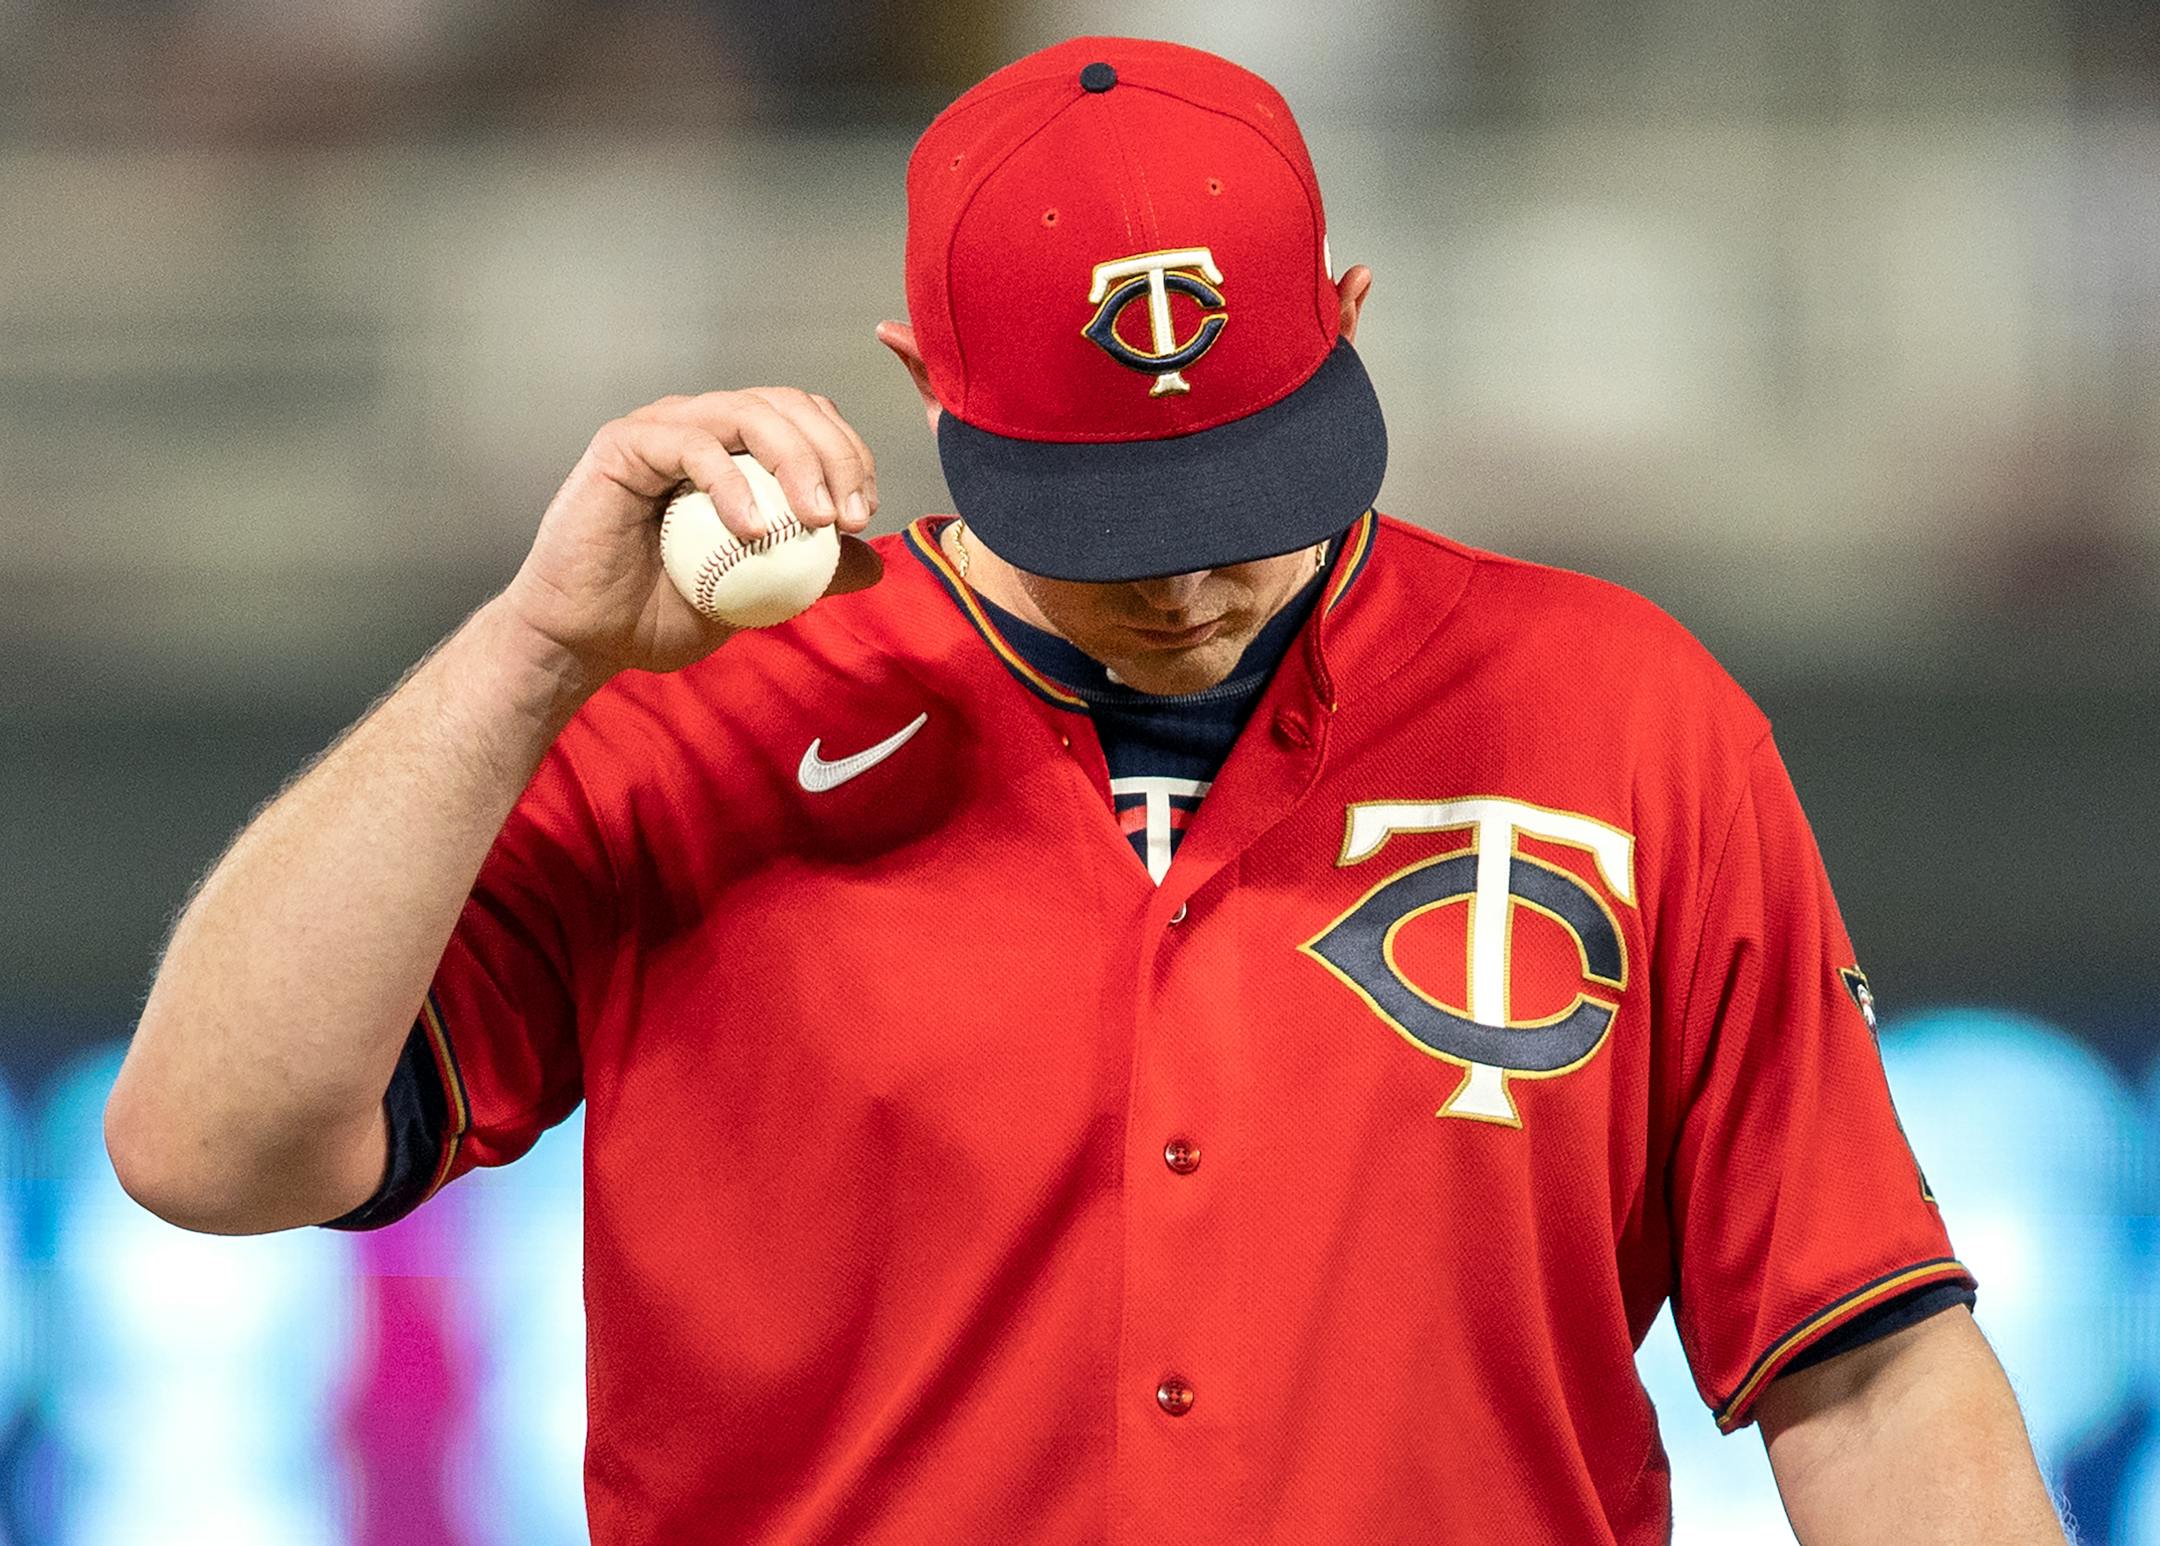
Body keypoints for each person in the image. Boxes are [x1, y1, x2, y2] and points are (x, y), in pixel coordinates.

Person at [106, 35, 2066, 1546]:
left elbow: (1868, 1358)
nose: (1193, 575)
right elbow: (215, 1142)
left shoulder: (1619, 709)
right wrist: (531, 653)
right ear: (922, 379)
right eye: (1115, 518)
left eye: (1238, 493)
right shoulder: (696, 716)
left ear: (1353, 320)